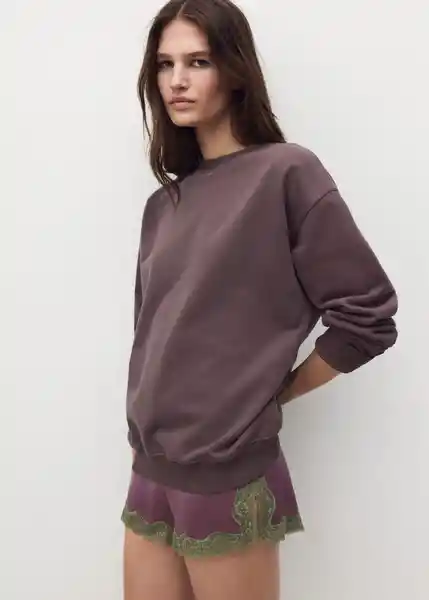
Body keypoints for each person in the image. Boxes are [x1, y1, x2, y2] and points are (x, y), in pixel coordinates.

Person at [121, 1, 398, 599]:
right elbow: (155, 335)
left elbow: (368, 316)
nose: (177, 80)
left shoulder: (286, 173)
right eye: (165, 64)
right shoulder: (163, 206)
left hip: (228, 469)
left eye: (198, 61)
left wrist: (276, 392)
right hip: (150, 467)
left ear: (235, 69)